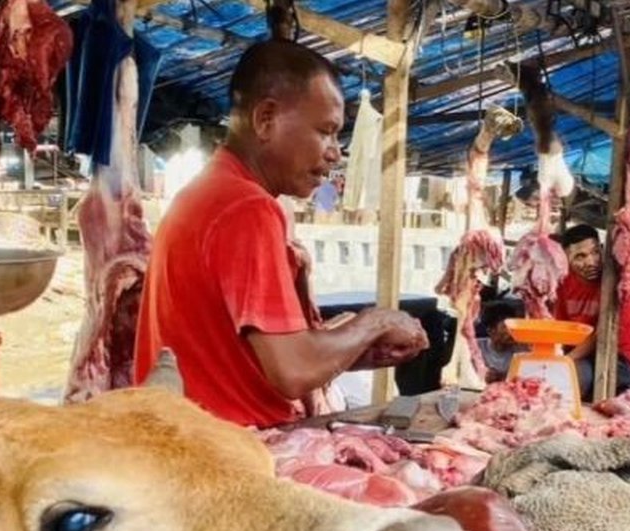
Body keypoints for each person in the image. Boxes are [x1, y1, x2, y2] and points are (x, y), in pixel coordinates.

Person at [134, 40, 428, 428]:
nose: (335, 153)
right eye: (326, 131)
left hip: (186, 438)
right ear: (266, 119)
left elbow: (248, 358)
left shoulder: (209, 192)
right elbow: (293, 370)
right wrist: (374, 322)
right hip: (227, 454)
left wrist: (357, 350)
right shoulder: (247, 208)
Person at [554, 223, 630, 398]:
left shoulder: (622, 284)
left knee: (573, 379)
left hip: (619, 356)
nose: (590, 262)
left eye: (595, 252)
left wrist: (566, 361)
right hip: (577, 350)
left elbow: (602, 334)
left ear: (601, 249)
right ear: (566, 258)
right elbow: (560, 326)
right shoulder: (564, 281)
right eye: (580, 256)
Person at [477, 302, 524, 383]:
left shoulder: (521, 351)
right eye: (505, 327)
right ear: (491, 330)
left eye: (512, 327)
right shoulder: (475, 348)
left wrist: (502, 376)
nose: (510, 332)